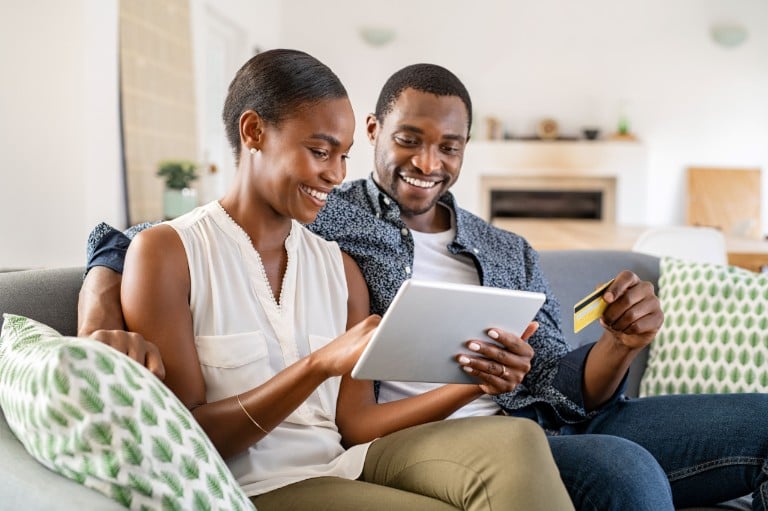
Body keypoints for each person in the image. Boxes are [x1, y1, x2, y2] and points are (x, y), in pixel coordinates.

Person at [80, 61, 768, 511]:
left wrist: (619, 344)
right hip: (414, 444)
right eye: (409, 139)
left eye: (450, 146)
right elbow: (133, 239)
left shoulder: (503, 248)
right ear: (377, 132)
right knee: (626, 473)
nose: (428, 162)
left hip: (546, 417)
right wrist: (99, 309)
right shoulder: (332, 214)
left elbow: (561, 380)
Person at [89, 48, 574, 511]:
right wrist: (317, 366)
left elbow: (357, 424)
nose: (336, 175)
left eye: (343, 156)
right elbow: (187, 439)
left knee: (518, 437)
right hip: (253, 487)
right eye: (320, 152)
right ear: (254, 131)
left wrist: (476, 383)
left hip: (347, 465)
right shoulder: (168, 253)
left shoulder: (340, 267)